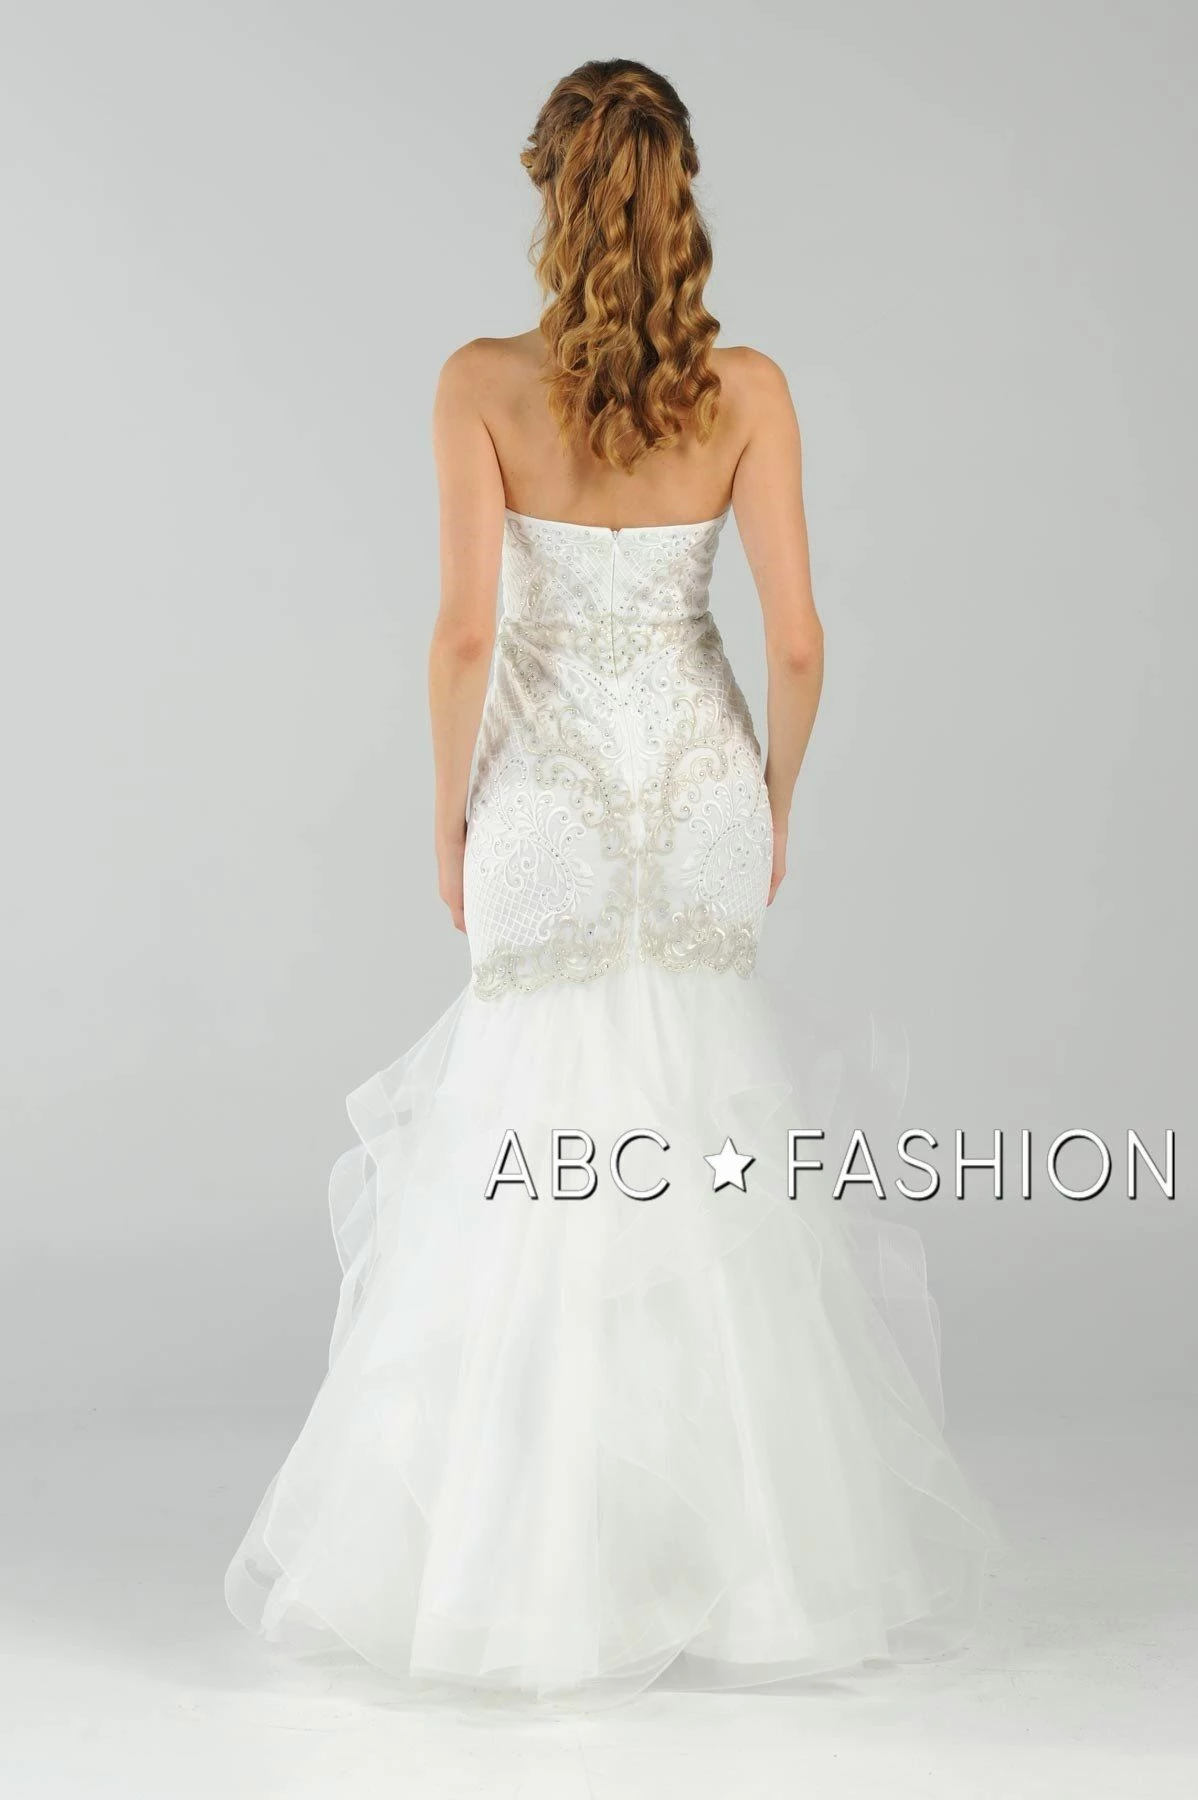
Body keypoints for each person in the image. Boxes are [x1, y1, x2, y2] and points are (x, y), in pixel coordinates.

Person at [225, 57, 998, 1707]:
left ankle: (528, 1584)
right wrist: (769, 801)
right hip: (699, 789)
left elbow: (461, 637)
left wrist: (446, 819)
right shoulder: (749, 389)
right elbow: (798, 642)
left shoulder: (477, 386)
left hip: (551, 797)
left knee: (525, 1155)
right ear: (679, 194)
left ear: (547, 191)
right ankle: (754, 1582)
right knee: (709, 1158)